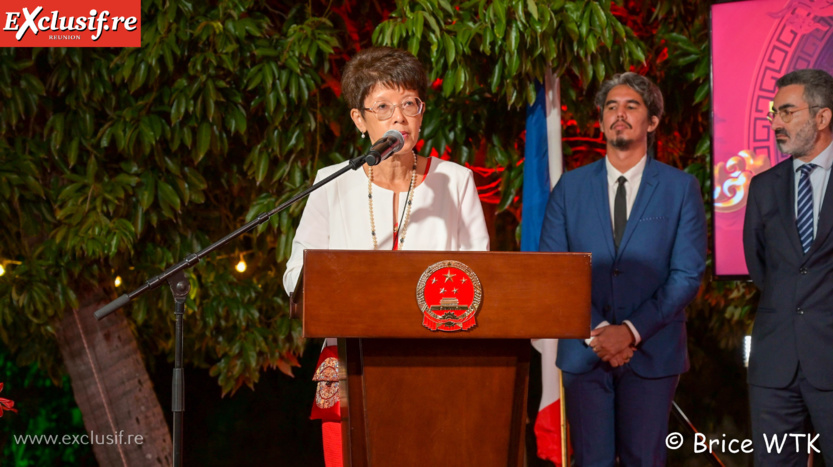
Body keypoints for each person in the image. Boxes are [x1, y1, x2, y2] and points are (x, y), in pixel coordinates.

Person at [282, 46, 490, 466]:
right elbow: (295, 275)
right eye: (383, 106)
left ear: (421, 112)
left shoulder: (456, 181)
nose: (399, 117)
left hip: (436, 359)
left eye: (409, 104)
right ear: (360, 120)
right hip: (350, 357)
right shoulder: (332, 183)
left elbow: (480, 273)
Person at [538, 72, 707, 465]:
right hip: (585, 352)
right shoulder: (570, 187)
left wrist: (630, 332)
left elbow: (686, 275)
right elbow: (554, 271)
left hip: (652, 353)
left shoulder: (680, 189)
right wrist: (600, 333)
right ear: (600, 121)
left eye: (632, 106)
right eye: (611, 106)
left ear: (652, 121)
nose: (620, 114)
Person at [743, 68, 833, 466]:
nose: (776, 122)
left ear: (822, 117)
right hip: (775, 367)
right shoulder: (762, 187)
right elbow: (761, 267)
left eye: (787, 112)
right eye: (774, 113)